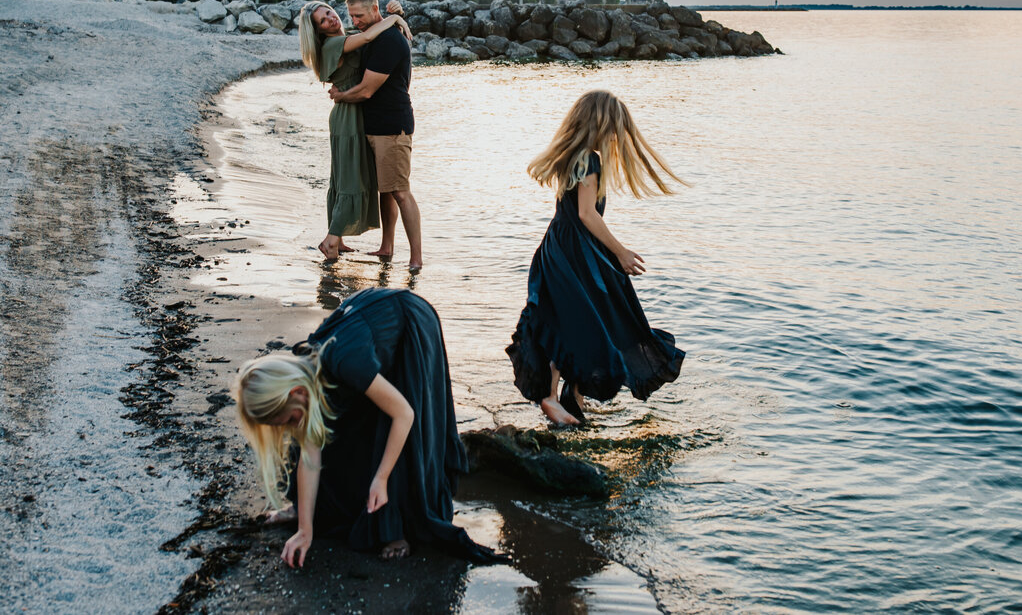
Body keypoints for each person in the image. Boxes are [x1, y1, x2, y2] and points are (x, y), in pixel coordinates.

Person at [233, 288, 506, 567]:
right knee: (333, 431)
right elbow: (310, 451)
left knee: (395, 432)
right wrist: (306, 530)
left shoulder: (344, 361)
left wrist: (382, 478)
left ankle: (395, 528)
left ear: (296, 392)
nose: (293, 427)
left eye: (290, 419)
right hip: (367, 325)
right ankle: (310, 510)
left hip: (409, 319)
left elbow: (404, 414)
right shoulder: (310, 374)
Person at [506, 90, 687, 425]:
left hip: (559, 247)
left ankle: (571, 396)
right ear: (602, 126)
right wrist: (621, 252)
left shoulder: (573, 155)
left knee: (578, 320)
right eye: (616, 128)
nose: (618, 136)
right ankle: (549, 397)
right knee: (576, 324)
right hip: (574, 253)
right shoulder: (589, 159)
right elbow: (588, 215)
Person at [298, 0, 410, 261]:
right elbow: (371, 34)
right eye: (323, 21)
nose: (331, 19)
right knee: (351, 178)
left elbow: (373, 34)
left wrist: (394, 11)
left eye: (329, 12)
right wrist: (396, 19)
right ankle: (331, 240)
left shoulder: (345, 39)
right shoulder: (336, 44)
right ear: (319, 31)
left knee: (343, 176)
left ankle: (338, 237)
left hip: (353, 112)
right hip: (348, 115)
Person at [329, 0, 422, 271]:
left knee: (400, 191)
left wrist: (340, 96)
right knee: (386, 190)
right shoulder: (372, 35)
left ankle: (416, 259)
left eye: (358, 15)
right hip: (373, 124)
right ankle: (387, 247)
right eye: (351, 16)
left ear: (374, 9)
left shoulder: (390, 40)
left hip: (392, 126)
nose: (354, 21)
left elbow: (367, 90)